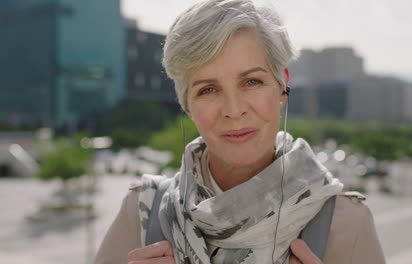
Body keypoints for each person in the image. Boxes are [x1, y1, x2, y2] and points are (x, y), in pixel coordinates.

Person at [95, 0, 386, 263]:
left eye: (251, 82)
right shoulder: (142, 214)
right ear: (186, 104)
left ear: (282, 86)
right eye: (208, 89)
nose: (233, 110)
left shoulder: (346, 223)